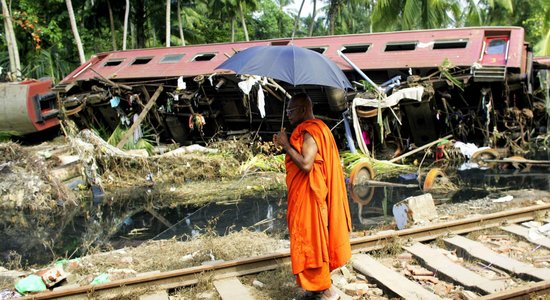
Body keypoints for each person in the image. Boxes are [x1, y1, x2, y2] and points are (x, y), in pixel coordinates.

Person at [273, 93, 352, 300]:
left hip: (311, 199)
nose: (288, 114)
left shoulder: (311, 131)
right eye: (288, 111)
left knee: (311, 241)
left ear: (303, 109)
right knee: (310, 240)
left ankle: (326, 291)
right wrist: (286, 144)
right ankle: (315, 289)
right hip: (308, 195)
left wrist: (286, 145)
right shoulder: (314, 129)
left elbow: (307, 165)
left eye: (291, 110)